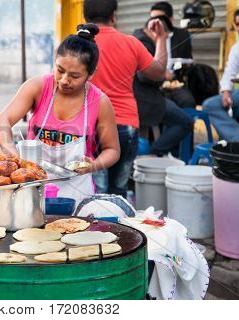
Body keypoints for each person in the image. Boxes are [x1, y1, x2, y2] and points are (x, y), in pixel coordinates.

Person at [0, 23, 120, 204]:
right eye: (59, 70)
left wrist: (94, 165)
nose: (64, 80)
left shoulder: (100, 102)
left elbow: (112, 150)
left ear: (91, 74)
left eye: (74, 76)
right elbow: (2, 122)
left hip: (77, 194)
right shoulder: (38, 87)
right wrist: (13, 155)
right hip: (32, 187)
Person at [83, 0, 168, 197]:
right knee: (118, 191)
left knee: (97, 194)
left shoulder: (77, 45)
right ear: (114, 16)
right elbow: (159, 72)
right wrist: (161, 38)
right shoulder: (131, 43)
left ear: (85, 18)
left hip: (90, 126)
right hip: (126, 125)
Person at [133, 16, 193, 156]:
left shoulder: (137, 37)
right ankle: (155, 152)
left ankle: (161, 151)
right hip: (144, 100)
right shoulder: (144, 43)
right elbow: (146, 75)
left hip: (143, 97)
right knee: (185, 122)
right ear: (156, 31)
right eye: (166, 38)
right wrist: (163, 76)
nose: (165, 42)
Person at [202, 7, 239, 141]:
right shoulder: (237, 48)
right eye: (237, 24)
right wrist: (226, 91)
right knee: (210, 104)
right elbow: (229, 73)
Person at [150, 1, 197, 108]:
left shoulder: (182, 35)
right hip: (155, 85)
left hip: (175, 82)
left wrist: (175, 69)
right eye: (152, 19)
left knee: (188, 101)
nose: (155, 22)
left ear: (170, 19)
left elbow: (188, 60)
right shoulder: (148, 36)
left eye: (159, 19)